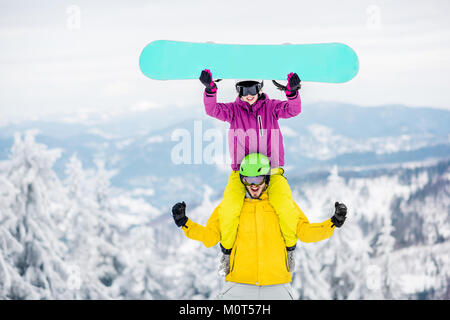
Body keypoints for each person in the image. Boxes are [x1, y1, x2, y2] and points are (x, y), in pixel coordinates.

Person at [171, 153, 348, 300]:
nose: (254, 185)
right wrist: (185, 223)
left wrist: (333, 223)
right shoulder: (230, 207)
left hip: (277, 285)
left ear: (267, 178)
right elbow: (210, 236)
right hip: (239, 284)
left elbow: (305, 232)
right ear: (242, 180)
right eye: (248, 179)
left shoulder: (282, 206)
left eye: (258, 178)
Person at [199, 69, 302, 263]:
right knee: (230, 209)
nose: (248, 95)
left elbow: (293, 110)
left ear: (260, 88)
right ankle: (227, 253)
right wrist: (210, 90)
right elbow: (212, 110)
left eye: (253, 88)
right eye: (243, 90)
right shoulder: (233, 111)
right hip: (242, 173)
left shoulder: (271, 107)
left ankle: (289, 248)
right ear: (237, 91)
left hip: (272, 170)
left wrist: (292, 93)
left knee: (284, 207)